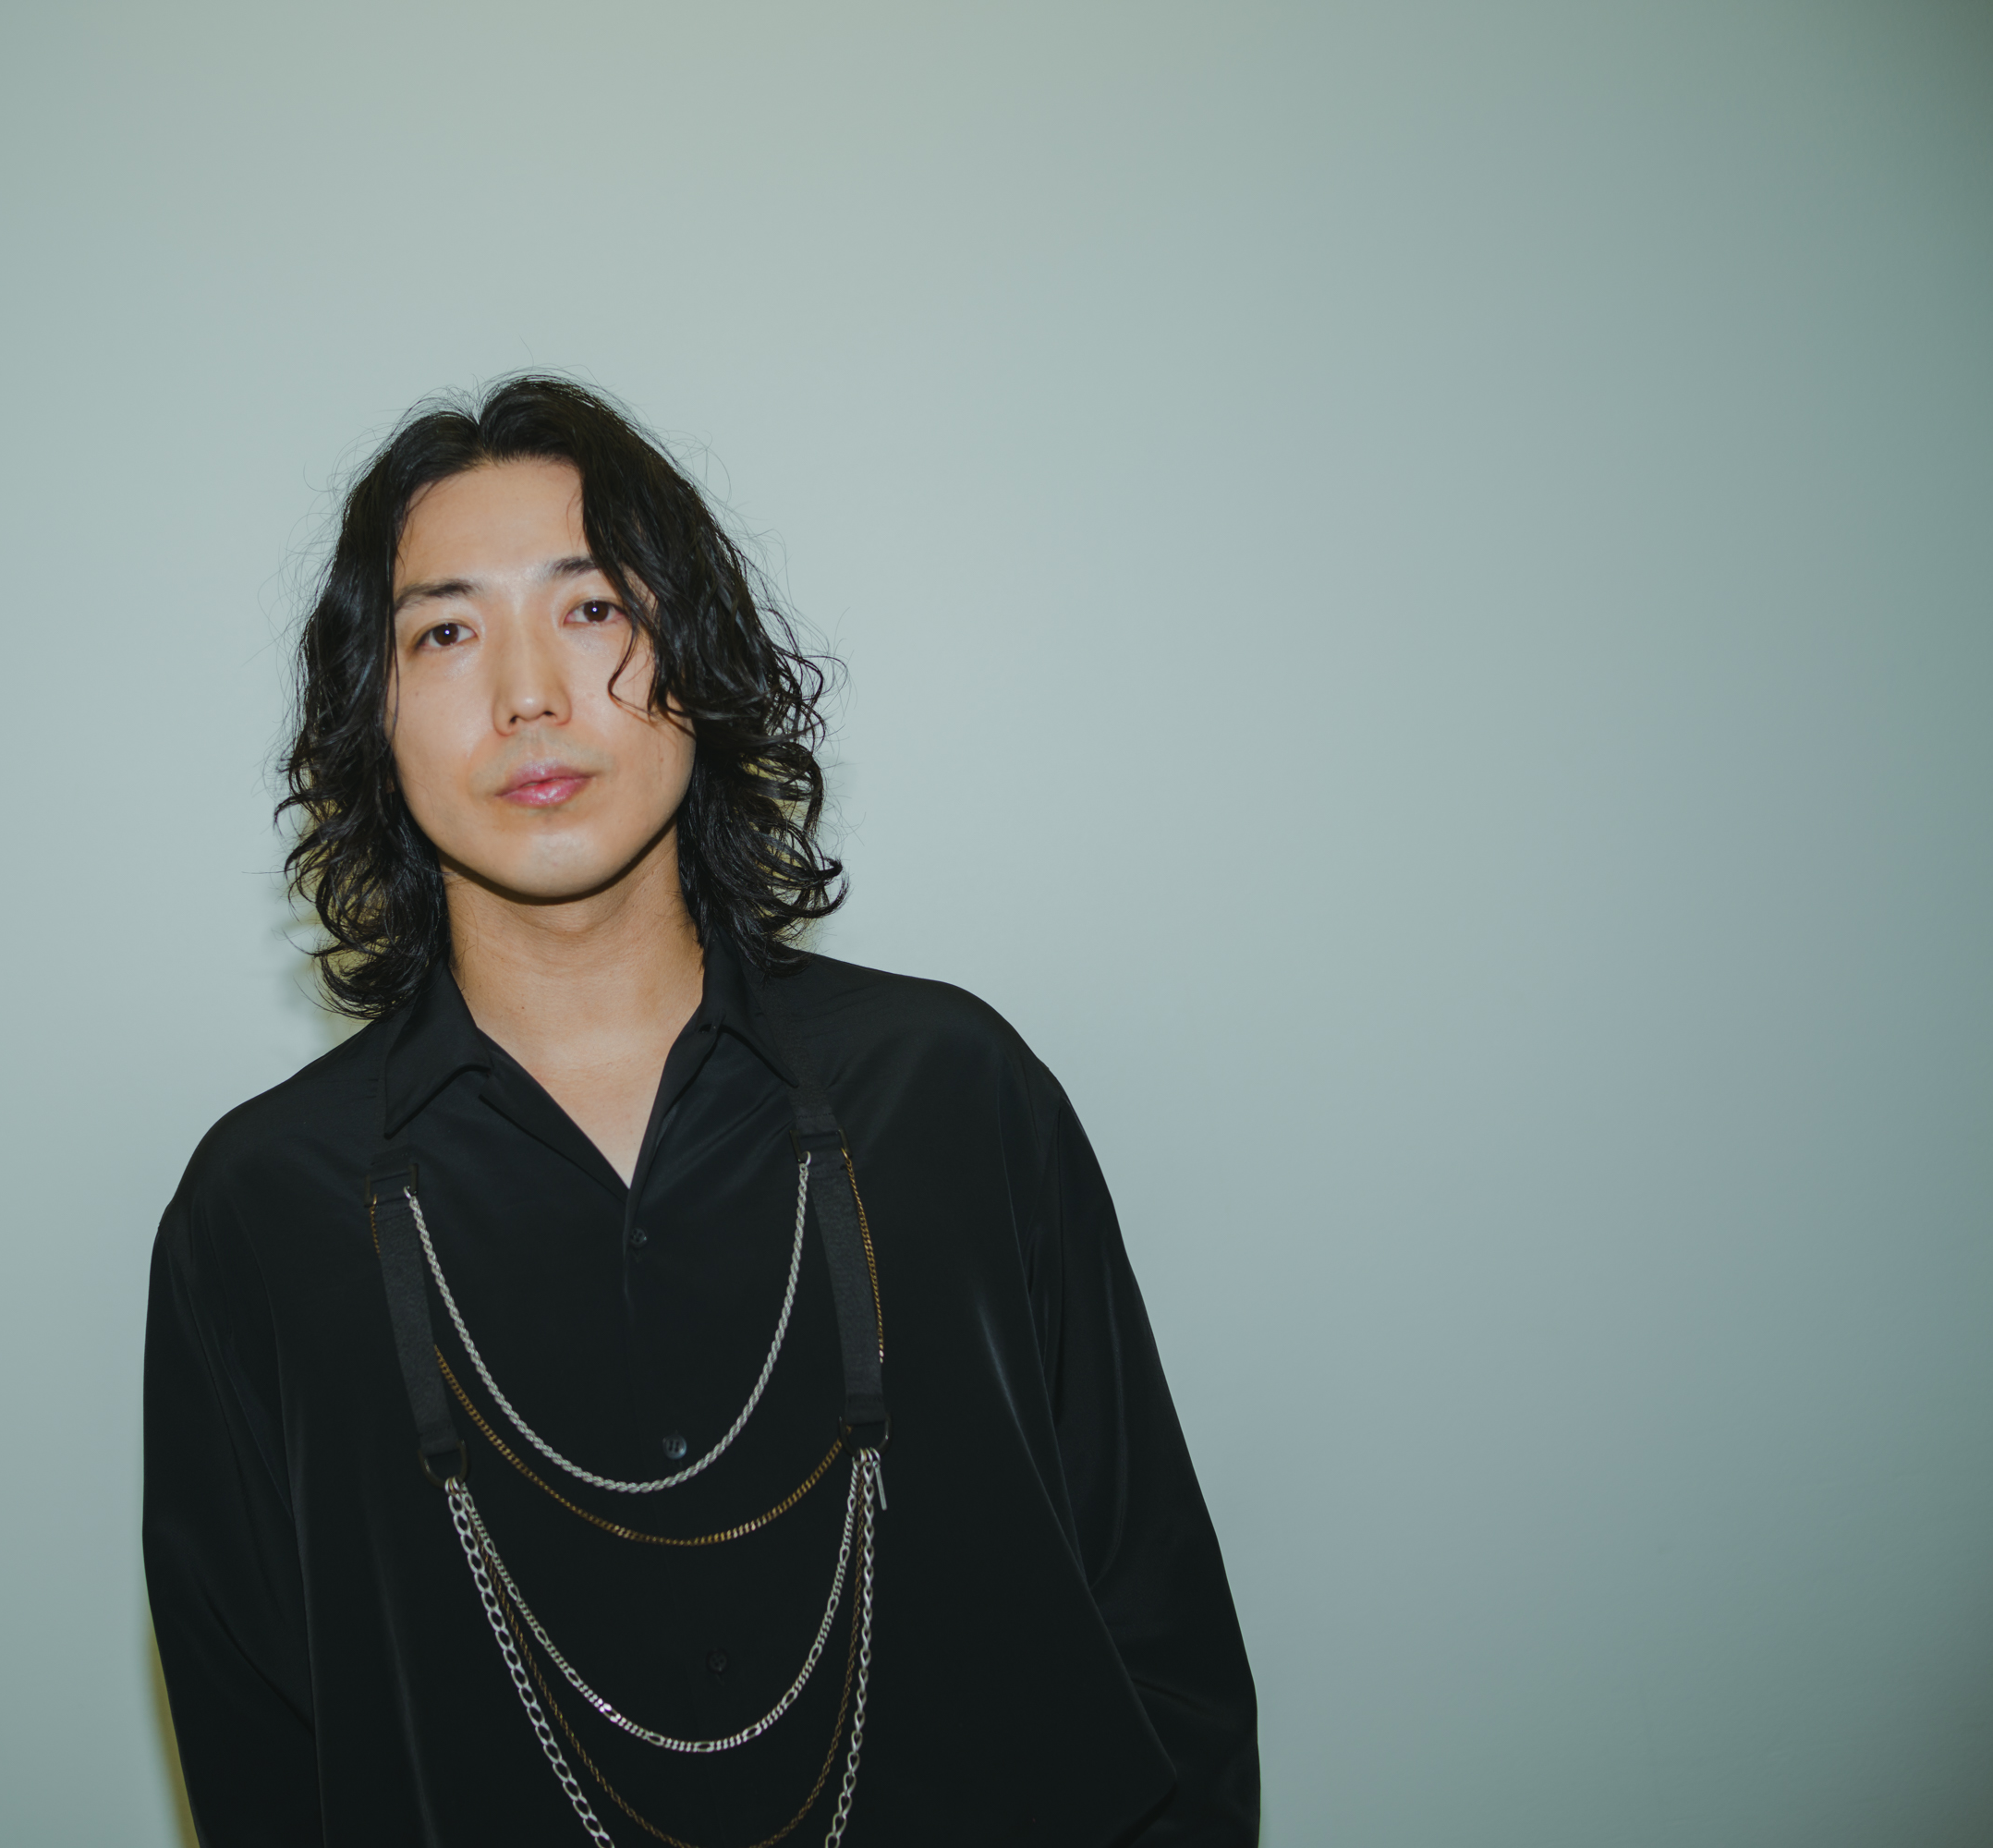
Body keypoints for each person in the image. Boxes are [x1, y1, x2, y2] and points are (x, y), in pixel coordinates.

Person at [143, 377, 1258, 1846]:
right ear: (375, 717)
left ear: (697, 657)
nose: (529, 693)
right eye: (446, 632)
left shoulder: (953, 1091)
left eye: (592, 607)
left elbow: (1161, 1648)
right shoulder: (260, 1212)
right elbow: (262, 1766)